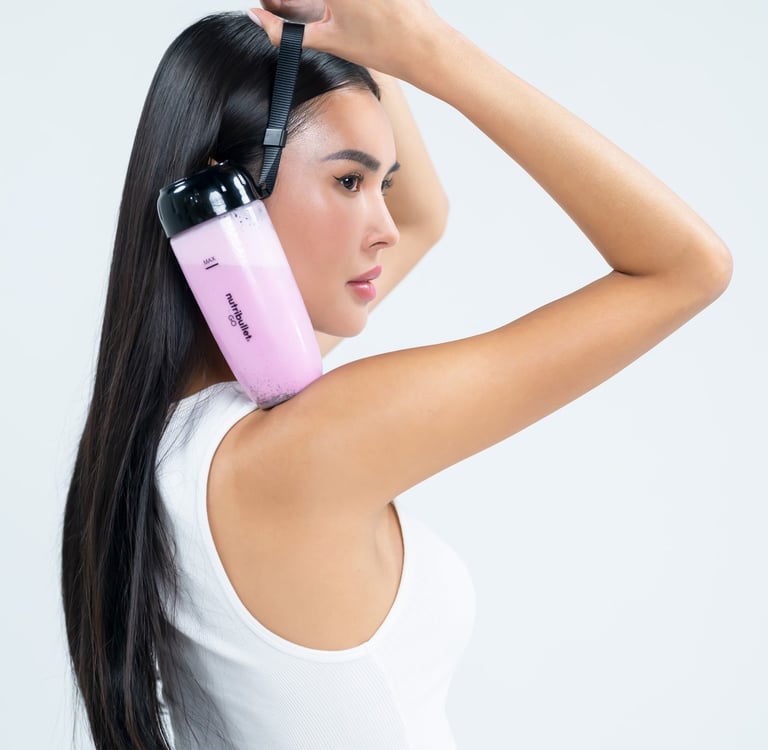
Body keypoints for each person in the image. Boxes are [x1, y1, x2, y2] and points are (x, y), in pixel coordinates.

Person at [61, 1, 733, 748]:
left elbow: (422, 218)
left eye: (383, 183)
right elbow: (686, 267)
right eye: (350, 182)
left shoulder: (168, 441)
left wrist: (353, 32)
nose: (383, 226)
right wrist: (433, 50)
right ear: (227, 205)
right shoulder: (302, 449)